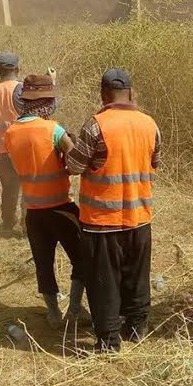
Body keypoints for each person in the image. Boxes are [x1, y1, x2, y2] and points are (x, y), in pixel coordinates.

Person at [66, 68, 161, 352]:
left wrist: (69, 146)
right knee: (137, 278)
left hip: (102, 223)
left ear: (103, 94)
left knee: (104, 284)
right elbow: (154, 162)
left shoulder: (96, 126)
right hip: (139, 219)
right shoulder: (150, 124)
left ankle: (109, 343)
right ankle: (136, 328)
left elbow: (74, 166)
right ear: (130, 93)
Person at [2, 70, 87, 328]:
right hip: (62, 208)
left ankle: (53, 314)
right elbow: (75, 163)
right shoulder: (54, 130)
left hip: (34, 211)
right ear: (47, 103)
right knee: (82, 258)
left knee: (43, 264)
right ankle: (75, 309)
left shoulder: (10, 133)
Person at [0, 52, 24, 237]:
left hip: (1, 149)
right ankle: (27, 224)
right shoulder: (20, 88)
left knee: (9, 189)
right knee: (28, 188)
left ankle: (8, 223)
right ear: (17, 69)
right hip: (21, 148)